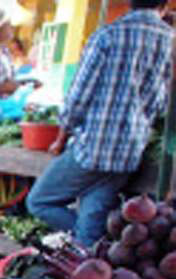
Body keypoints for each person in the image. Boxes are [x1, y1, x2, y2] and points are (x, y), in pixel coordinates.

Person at [26, 0, 174, 247]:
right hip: (129, 154)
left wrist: (61, 137)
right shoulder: (170, 41)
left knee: (40, 201)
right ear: (164, 4)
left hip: (93, 149)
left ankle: (88, 241)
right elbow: (160, 102)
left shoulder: (107, 36)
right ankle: (90, 246)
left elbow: (79, 96)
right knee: (91, 220)